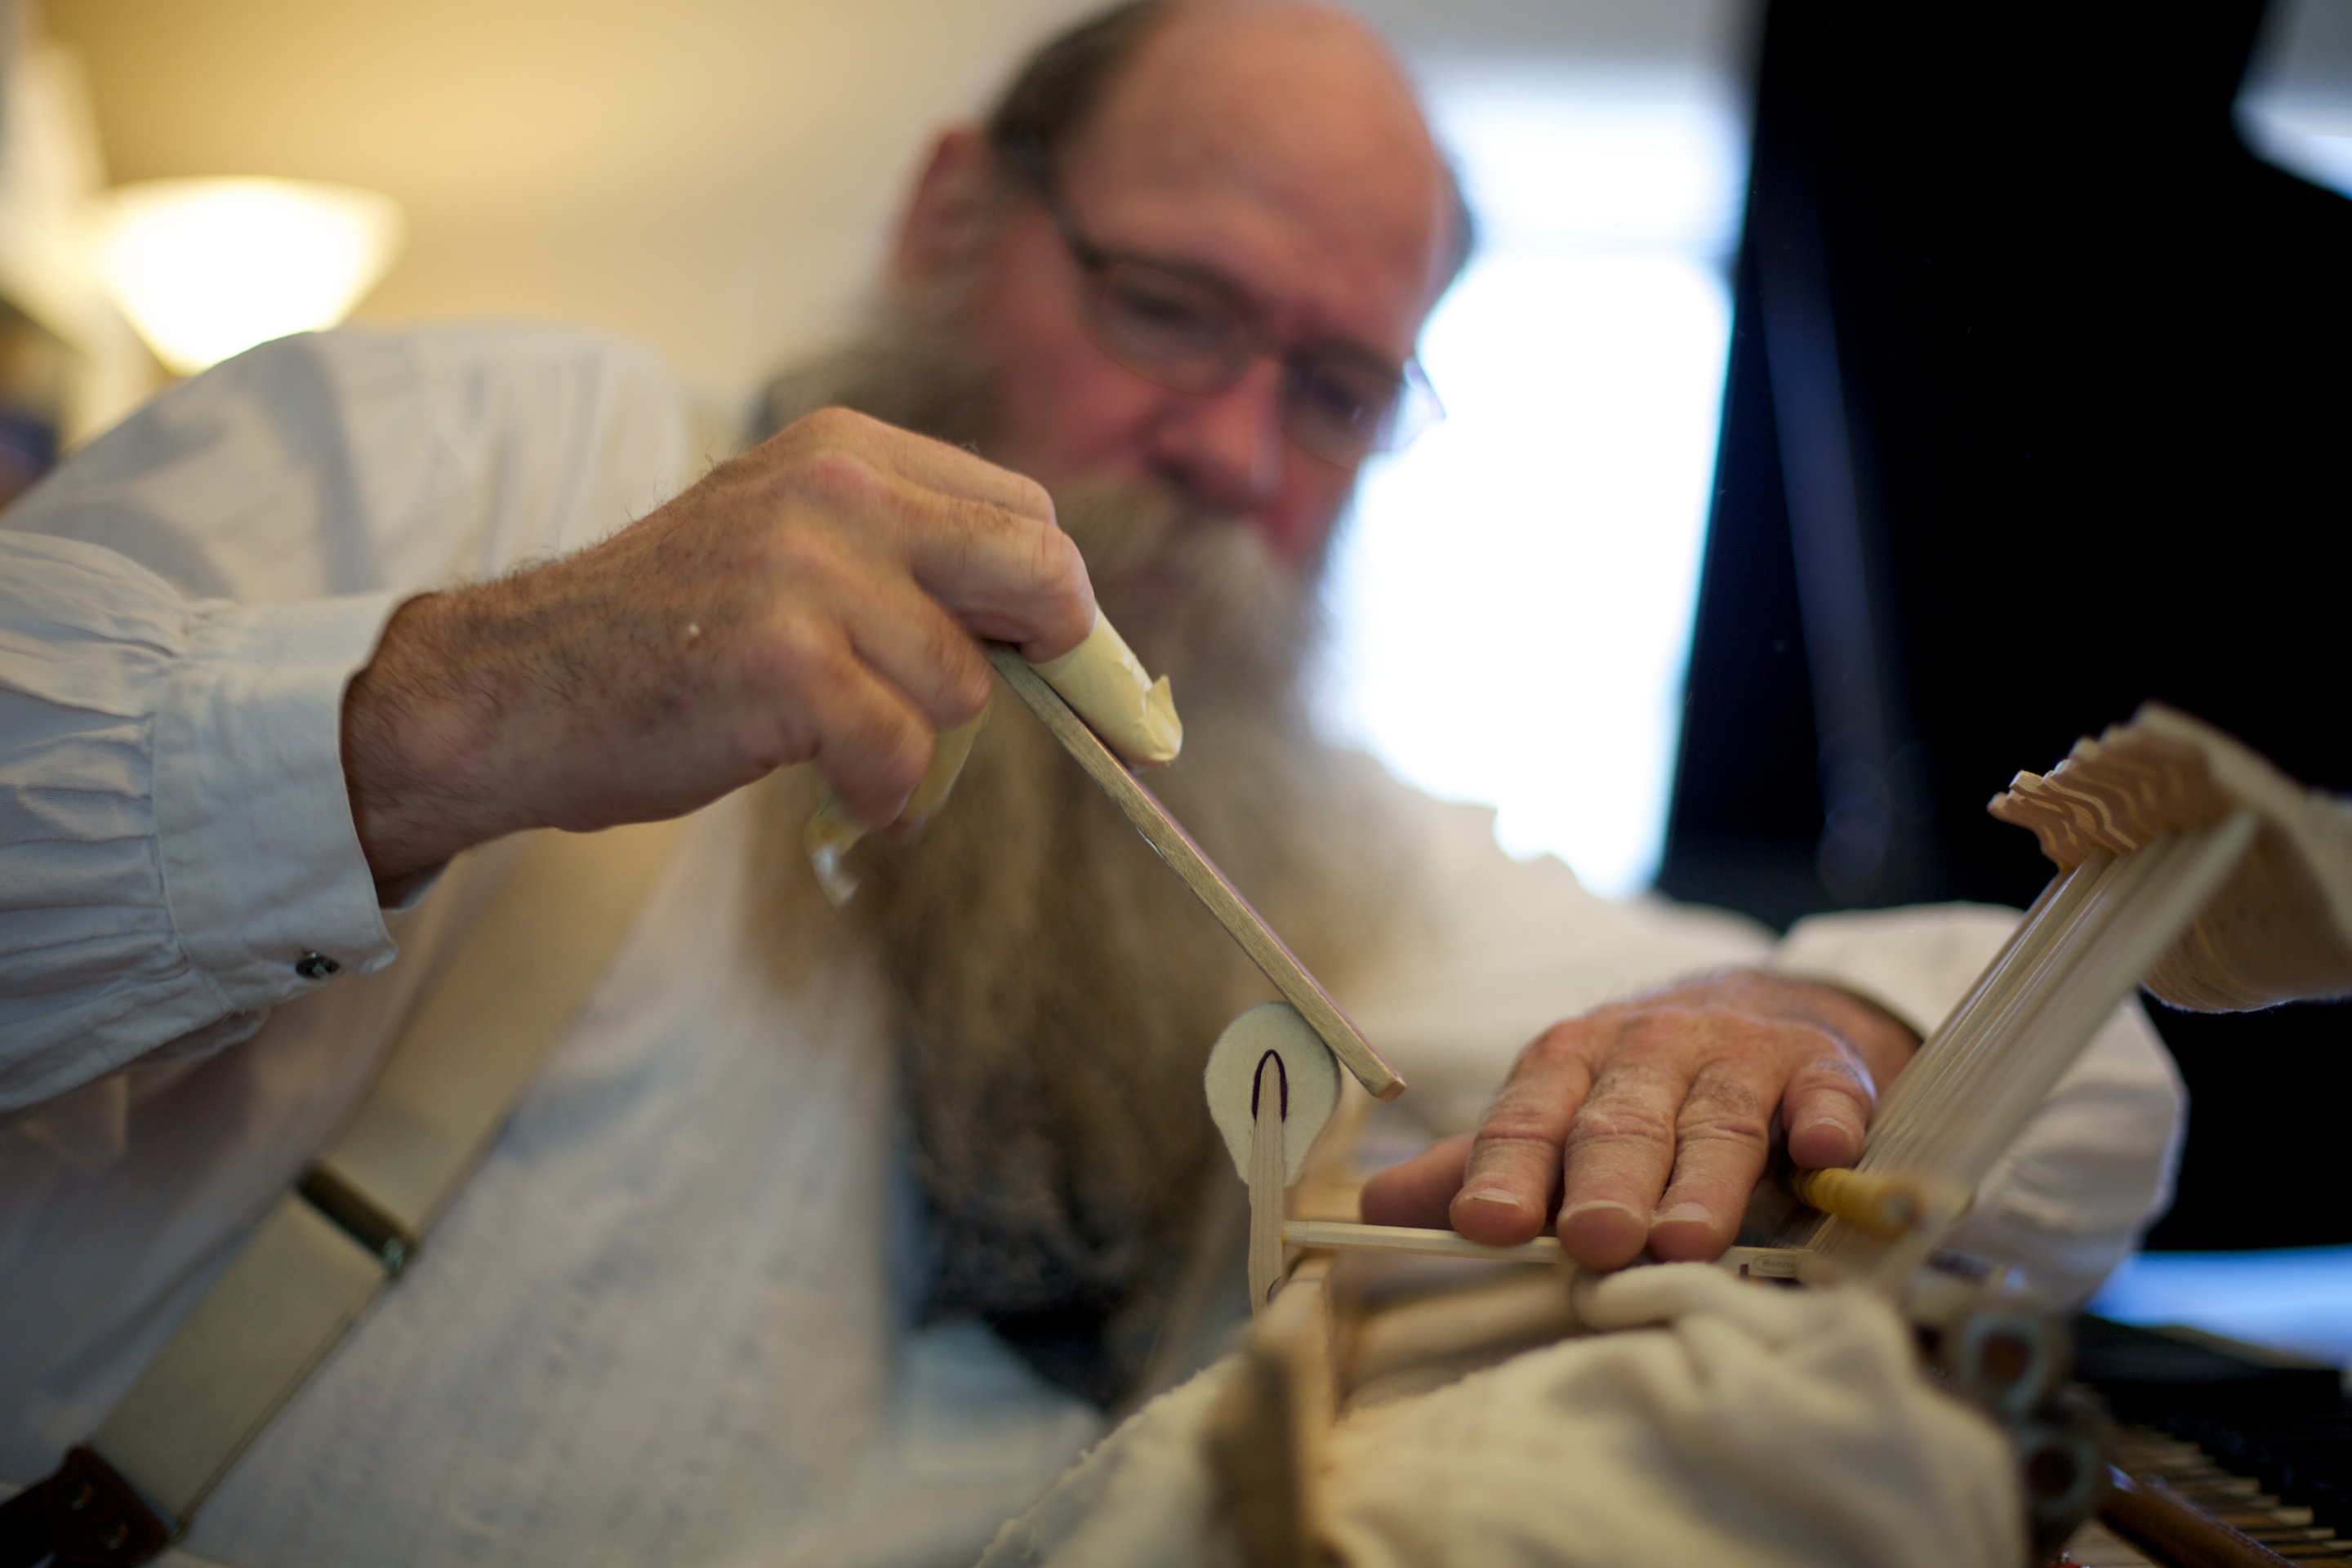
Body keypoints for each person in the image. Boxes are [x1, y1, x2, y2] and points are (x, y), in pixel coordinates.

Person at [0, 2, 2181, 1564]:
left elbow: (2075, 1059)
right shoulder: (486, 451)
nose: (1239, 454)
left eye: (1335, 391)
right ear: (957, 211)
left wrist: (1811, 1040)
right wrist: (464, 706)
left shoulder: (1320, 836)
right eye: (1164, 306)